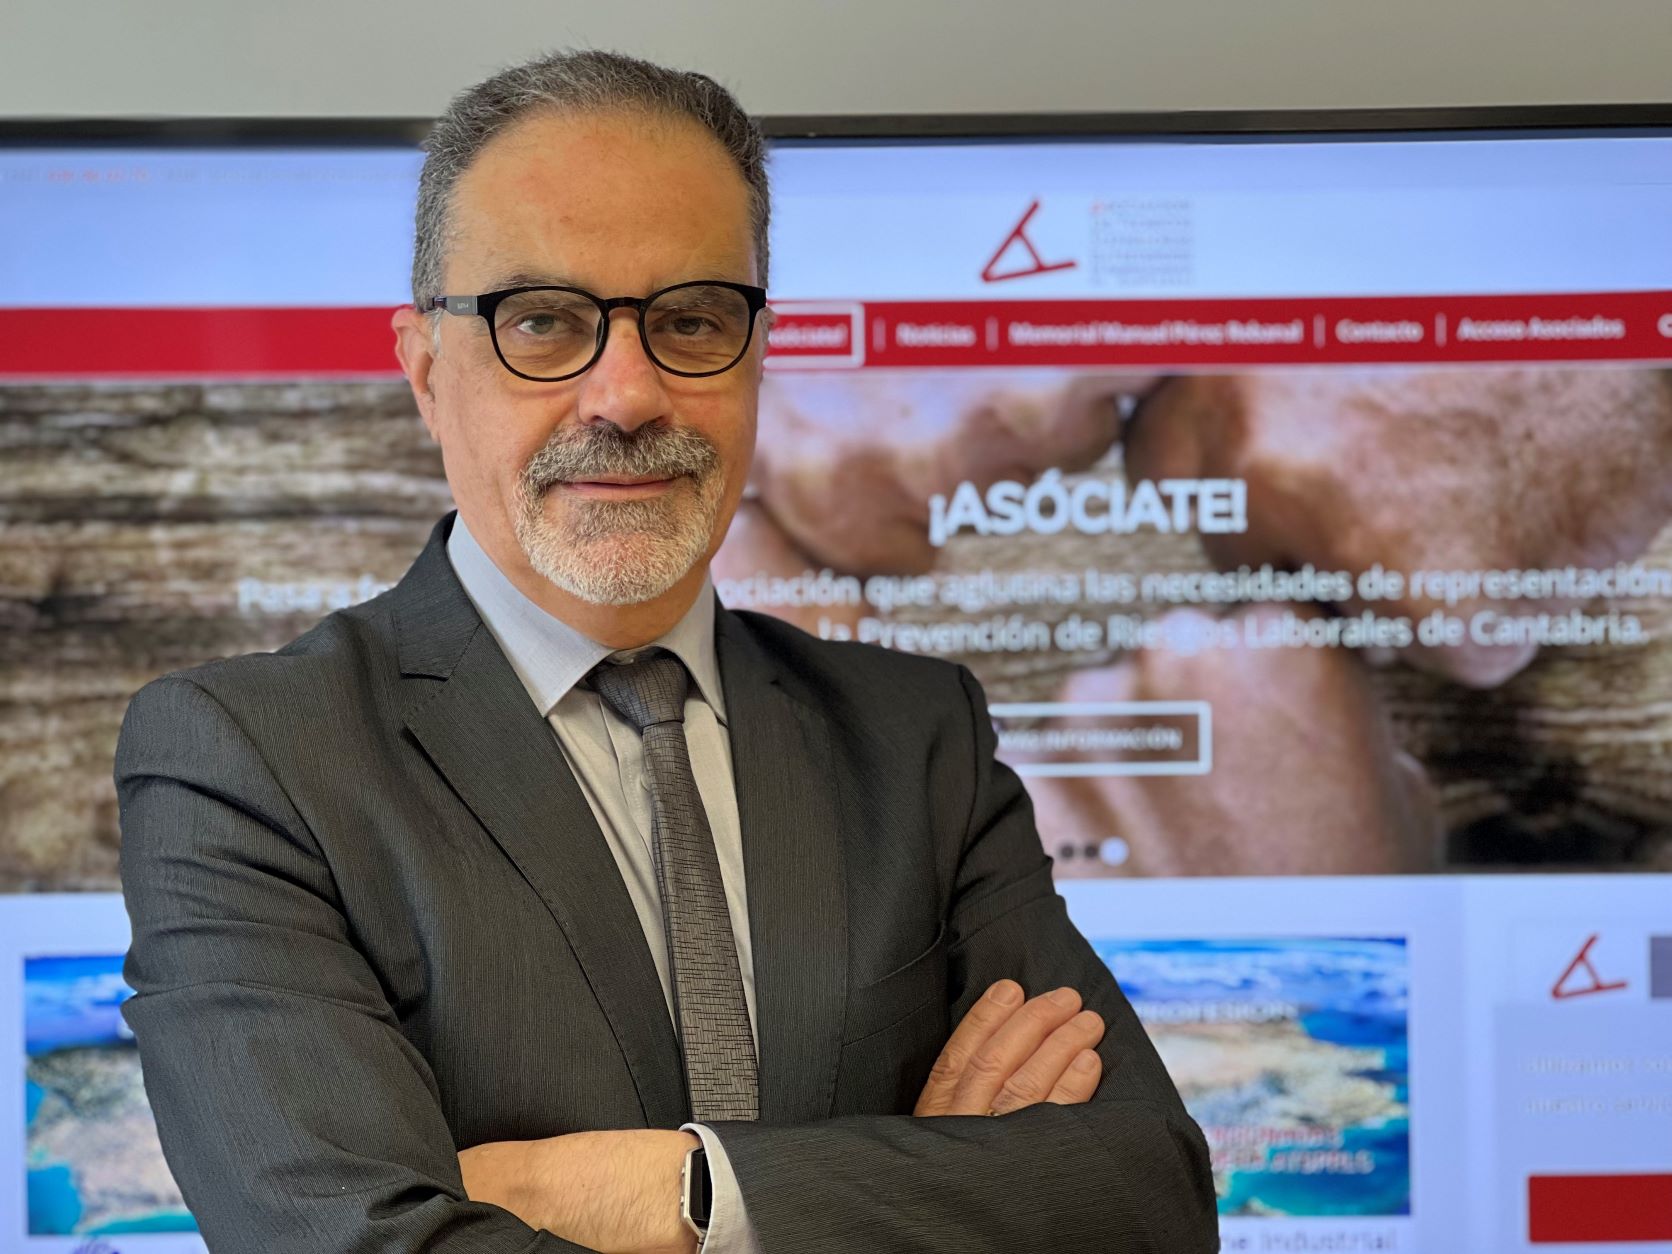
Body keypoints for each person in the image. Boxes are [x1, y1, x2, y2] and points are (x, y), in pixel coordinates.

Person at [114, 49, 1217, 1254]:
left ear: (757, 352)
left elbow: (1144, 1197)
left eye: (692, 320)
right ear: (426, 370)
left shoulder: (917, 738)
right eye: (543, 322)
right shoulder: (252, 762)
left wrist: (676, 1193)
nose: (627, 396)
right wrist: (927, 1186)